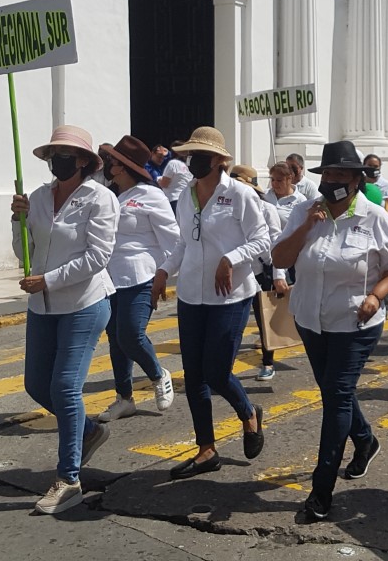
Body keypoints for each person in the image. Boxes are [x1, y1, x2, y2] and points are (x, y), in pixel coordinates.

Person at [272, 140, 388, 521]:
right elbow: (280, 257)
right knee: (336, 391)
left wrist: (376, 296)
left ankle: (321, 490)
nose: (332, 180)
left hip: (354, 323)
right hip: (310, 320)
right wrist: (306, 226)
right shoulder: (304, 211)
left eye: (340, 174)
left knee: (335, 397)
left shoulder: (374, 217)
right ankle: (365, 440)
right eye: (328, 173)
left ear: (355, 180)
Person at [8, 126, 118, 514]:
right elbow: (26, 249)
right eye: (53, 154)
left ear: (84, 161)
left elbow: (98, 256)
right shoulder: (38, 197)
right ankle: (88, 431)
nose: (58, 160)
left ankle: (69, 479)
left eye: (65, 154)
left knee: (65, 387)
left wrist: (49, 279)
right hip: (43, 306)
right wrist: (18, 221)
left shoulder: (100, 198)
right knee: (37, 384)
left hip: (84, 303)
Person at [153, 127, 269, 479]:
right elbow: (183, 243)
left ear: (219, 160)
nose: (194, 161)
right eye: (191, 155)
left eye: (201, 156)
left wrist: (230, 259)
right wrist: (163, 271)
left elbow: (262, 239)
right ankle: (206, 449)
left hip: (230, 296)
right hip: (191, 294)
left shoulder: (239, 194)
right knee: (194, 375)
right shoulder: (186, 195)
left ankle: (249, 413)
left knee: (216, 372)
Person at [96, 135, 178, 424]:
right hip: (110, 278)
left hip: (141, 275)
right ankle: (124, 398)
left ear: (123, 166)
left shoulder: (151, 195)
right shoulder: (110, 196)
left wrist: (164, 273)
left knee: (130, 334)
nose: (108, 165)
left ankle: (158, 374)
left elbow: (174, 240)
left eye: (112, 161)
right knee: (115, 339)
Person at [231, 163, 286, 381]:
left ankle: (267, 362)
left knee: (264, 320)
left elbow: (276, 244)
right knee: (233, 322)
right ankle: (225, 366)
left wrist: (279, 275)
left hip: (261, 271)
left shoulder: (267, 209)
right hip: (237, 271)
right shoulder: (228, 207)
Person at [363, 154, 388, 218]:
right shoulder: (357, 184)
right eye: (369, 165)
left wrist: (384, 217)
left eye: (375, 166)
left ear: (380, 167)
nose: (372, 168)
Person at [159, 146, 194, 215]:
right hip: (186, 200)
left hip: (172, 199)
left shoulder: (173, 163)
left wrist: (158, 181)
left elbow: (164, 184)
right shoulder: (187, 167)